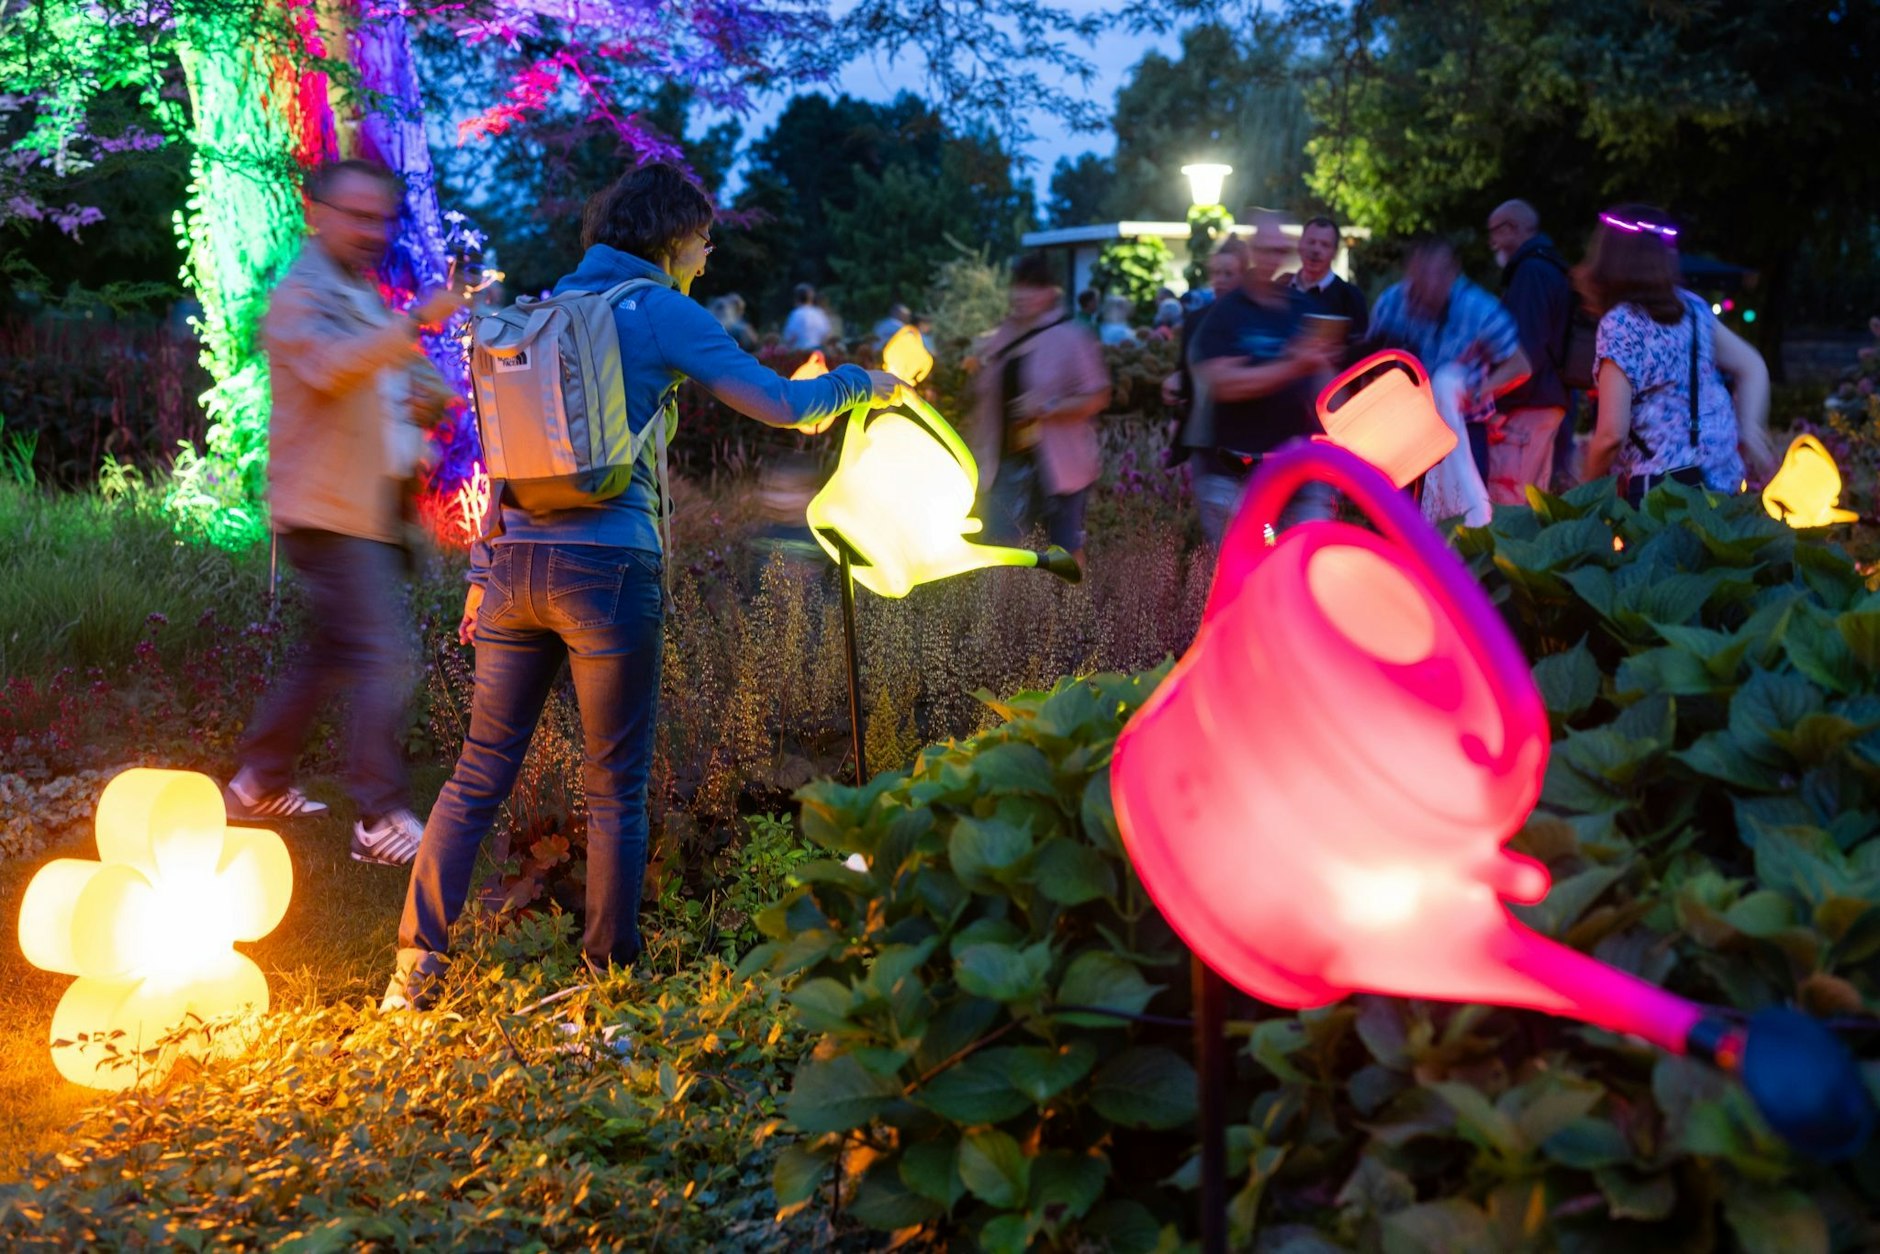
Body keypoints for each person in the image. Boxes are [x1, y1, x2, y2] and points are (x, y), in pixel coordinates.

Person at [386, 162, 904, 1007]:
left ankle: (413, 972)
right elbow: (782, 405)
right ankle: (605, 985)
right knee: (614, 785)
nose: (707, 259)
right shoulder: (660, 308)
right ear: (670, 242)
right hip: (609, 570)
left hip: (516, 566)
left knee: (478, 770)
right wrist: (861, 385)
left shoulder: (543, 310)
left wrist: (482, 575)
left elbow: (507, 461)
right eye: (703, 241)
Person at [224, 159, 464, 865]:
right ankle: (377, 817)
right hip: (326, 512)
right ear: (316, 212)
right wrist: (417, 320)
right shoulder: (300, 296)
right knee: (385, 657)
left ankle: (255, 783)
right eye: (356, 215)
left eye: (378, 217)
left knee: (328, 654)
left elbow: (396, 370)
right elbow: (333, 368)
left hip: (366, 510)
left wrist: (435, 389)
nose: (370, 230)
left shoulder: (354, 293)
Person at [1575, 204, 1775, 501]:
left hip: (1663, 497)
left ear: (1611, 257)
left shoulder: (1621, 323)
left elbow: (1610, 436)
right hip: (1721, 482)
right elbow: (1753, 365)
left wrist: (1583, 492)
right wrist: (1748, 427)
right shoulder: (1693, 309)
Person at [1187, 211, 1339, 544]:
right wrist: (1293, 365)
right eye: (1267, 249)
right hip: (1235, 478)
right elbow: (1225, 384)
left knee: (1307, 558)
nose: (1273, 258)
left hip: (1297, 474)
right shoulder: (1228, 312)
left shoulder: (1299, 308)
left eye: (1279, 250)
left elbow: (1324, 384)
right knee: (1251, 565)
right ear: (1253, 250)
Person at [968, 252, 1110, 569]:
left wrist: (1048, 407)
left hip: (1059, 465)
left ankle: (1074, 615)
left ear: (1050, 293)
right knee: (1000, 548)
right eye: (1018, 286)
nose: (1021, 295)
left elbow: (1098, 394)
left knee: (1064, 549)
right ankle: (1000, 619)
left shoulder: (1072, 336)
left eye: (1032, 287)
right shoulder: (1001, 335)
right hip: (1006, 460)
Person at [1367, 237, 1532, 484]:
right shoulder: (1391, 302)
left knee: (1462, 515)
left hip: (1462, 429)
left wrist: (1477, 392)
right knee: (1397, 514)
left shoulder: (1479, 309)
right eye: (1420, 276)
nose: (1428, 286)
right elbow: (1369, 360)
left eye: (1437, 277)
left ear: (1452, 274)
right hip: (1403, 431)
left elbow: (1520, 366)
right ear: (1409, 270)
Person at [1486, 199, 1574, 504]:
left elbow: (1525, 354)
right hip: (1548, 403)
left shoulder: (1530, 273)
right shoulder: (1551, 267)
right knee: (1532, 503)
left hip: (1526, 410)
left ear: (1511, 229)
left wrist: (1498, 407)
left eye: (1494, 233)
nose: (1492, 242)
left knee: (1508, 507)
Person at [1161, 238, 1248, 457]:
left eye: (1228, 274)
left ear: (1244, 276)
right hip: (1205, 441)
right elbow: (1184, 371)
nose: (1220, 280)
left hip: (1247, 439)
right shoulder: (1197, 320)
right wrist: (1176, 381)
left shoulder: (1256, 320)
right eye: (1216, 273)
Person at [780, 282, 831, 350]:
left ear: (796, 298)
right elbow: (825, 335)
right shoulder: (819, 313)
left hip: (799, 354)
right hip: (817, 353)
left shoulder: (795, 314)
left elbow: (791, 337)